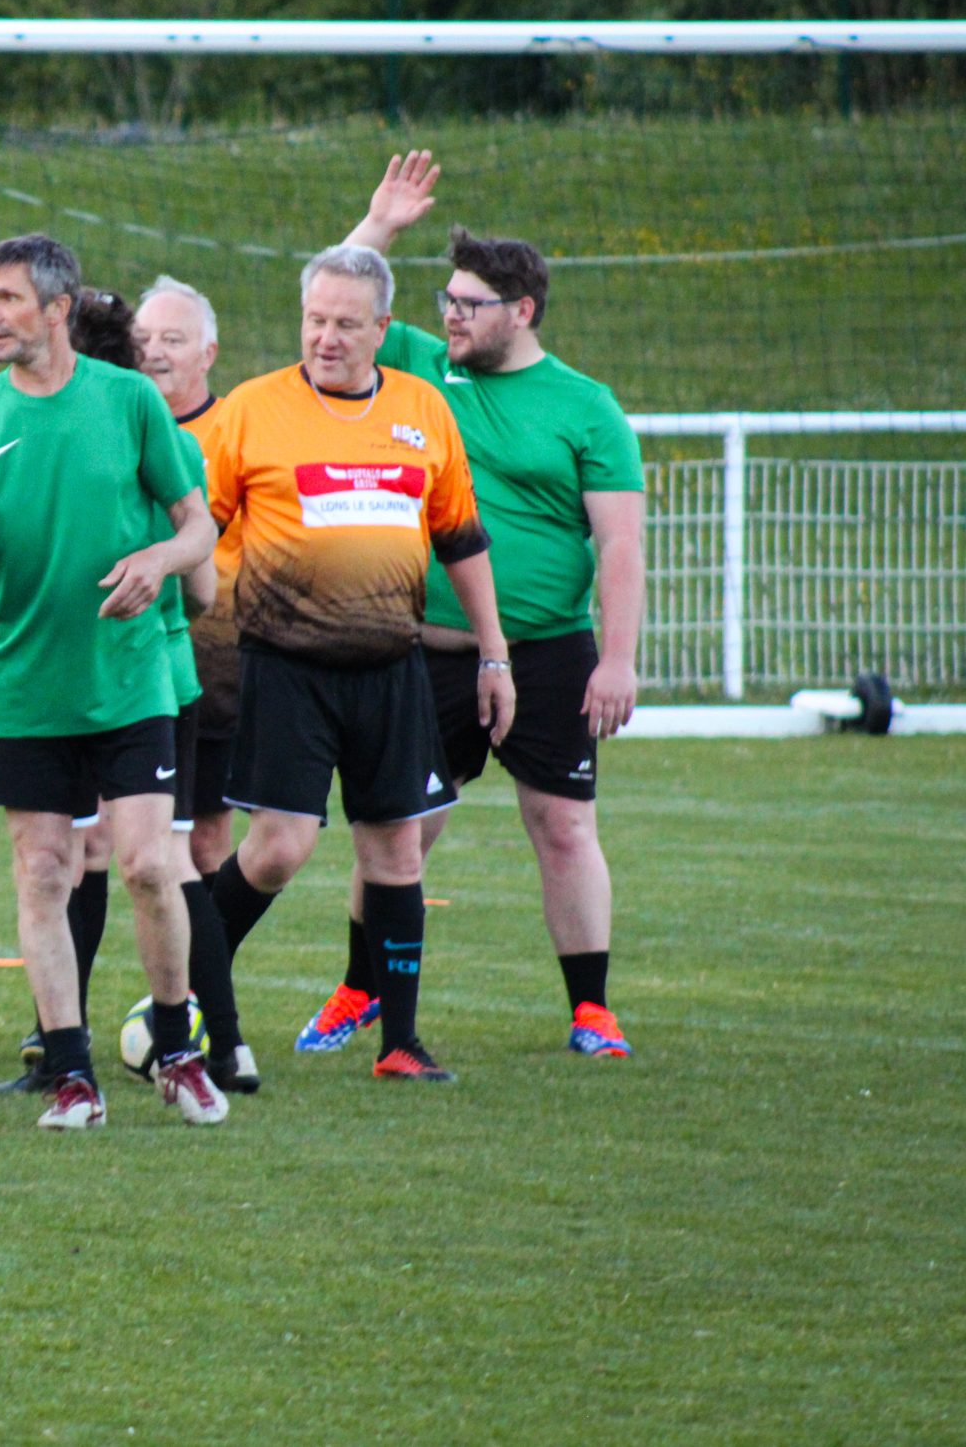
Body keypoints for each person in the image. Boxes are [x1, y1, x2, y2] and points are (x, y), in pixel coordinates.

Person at [306, 152, 643, 1058]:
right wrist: (379, 223)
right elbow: (339, 301)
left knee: (563, 824)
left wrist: (616, 658)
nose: (449, 316)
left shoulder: (587, 407)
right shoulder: (417, 367)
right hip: (429, 649)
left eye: (469, 304)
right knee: (399, 829)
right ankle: (359, 988)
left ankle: (591, 1009)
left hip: (548, 650)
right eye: (446, 300)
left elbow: (619, 542)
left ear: (521, 311)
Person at [197, 241, 515, 1084]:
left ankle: (400, 1042)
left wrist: (494, 654)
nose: (326, 337)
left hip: (391, 668)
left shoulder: (422, 407)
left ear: (382, 327)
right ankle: (186, 995)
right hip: (284, 665)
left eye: (345, 323)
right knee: (278, 848)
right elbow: (198, 525)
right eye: (314, 320)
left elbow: (460, 537)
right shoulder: (252, 410)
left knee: (397, 854)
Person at [0, 236, 224, 1132]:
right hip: (25, 687)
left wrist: (158, 559)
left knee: (147, 863)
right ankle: (70, 1074)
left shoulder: (130, 401)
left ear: (58, 309)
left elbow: (198, 528)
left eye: (9, 298)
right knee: (44, 872)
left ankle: (177, 1050)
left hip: (129, 679)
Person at [129, 275, 259, 1091]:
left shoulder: (237, 429)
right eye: (144, 339)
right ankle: (55, 1034)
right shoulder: (114, 420)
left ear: (209, 352)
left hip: (215, 678)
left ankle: (200, 1024)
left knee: (198, 850)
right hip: (132, 677)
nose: (155, 353)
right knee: (86, 852)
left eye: (172, 339)